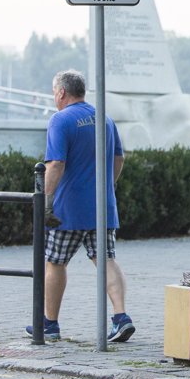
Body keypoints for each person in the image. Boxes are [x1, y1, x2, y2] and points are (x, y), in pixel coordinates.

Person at [26, 70, 134, 343]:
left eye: (54, 92)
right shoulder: (105, 119)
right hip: (102, 207)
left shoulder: (60, 120)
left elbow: (55, 164)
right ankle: (121, 318)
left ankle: (49, 324)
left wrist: (45, 202)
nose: (54, 97)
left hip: (67, 210)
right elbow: (119, 158)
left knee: (55, 262)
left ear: (61, 92)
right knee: (106, 260)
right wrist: (106, 187)